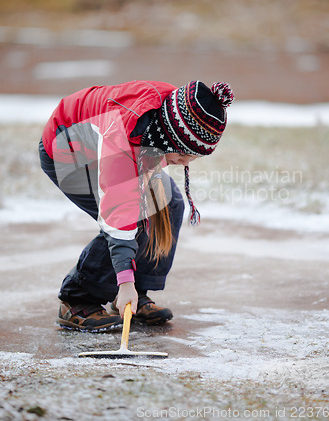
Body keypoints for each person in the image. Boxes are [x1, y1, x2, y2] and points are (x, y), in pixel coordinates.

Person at [39, 79, 233, 332]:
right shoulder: (125, 133)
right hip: (69, 152)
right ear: (169, 136)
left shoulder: (174, 111)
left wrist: (131, 285)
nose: (185, 162)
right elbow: (119, 219)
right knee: (136, 220)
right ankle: (77, 300)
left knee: (170, 203)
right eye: (183, 153)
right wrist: (123, 281)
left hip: (115, 147)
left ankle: (134, 296)